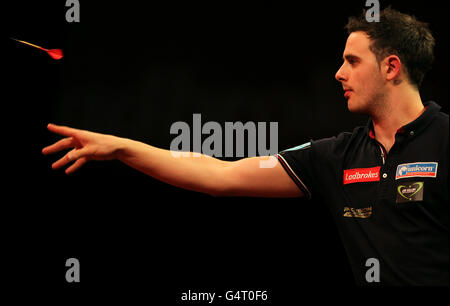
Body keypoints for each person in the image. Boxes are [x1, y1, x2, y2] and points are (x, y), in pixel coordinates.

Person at [42, 7, 448, 285]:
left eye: (352, 61)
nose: (338, 73)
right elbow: (221, 173)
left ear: (391, 67)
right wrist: (123, 148)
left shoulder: (445, 139)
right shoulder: (338, 156)